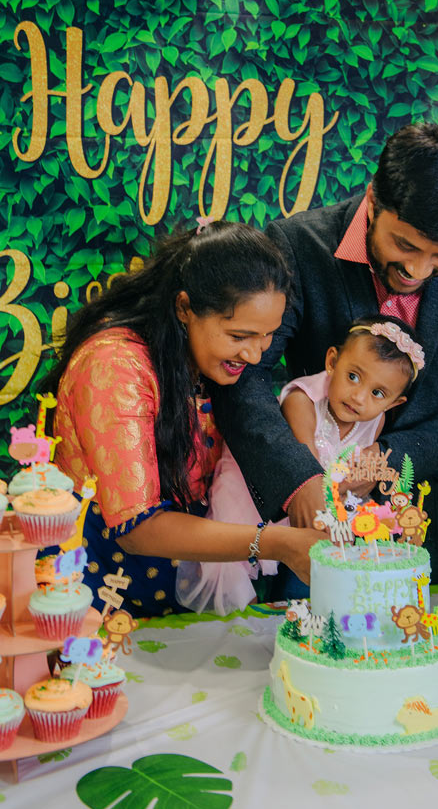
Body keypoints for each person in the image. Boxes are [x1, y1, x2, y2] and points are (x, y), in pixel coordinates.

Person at [212, 121, 438, 582]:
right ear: (374, 200)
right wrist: (300, 477)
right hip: (303, 529)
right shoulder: (299, 245)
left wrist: (387, 458)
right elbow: (245, 376)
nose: (418, 269)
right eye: (405, 245)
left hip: (425, 523)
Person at [41, 222, 322, 617]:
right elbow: (138, 529)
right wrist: (276, 543)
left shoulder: (207, 361)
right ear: (184, 308)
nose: (256, 355)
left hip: (179, 588)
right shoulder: (114, 367)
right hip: (96, 586)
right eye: (239, 336)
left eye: (267, 336)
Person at [178, 313, 425, 614]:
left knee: (315, 569)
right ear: (332, 361)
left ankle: (300, 618)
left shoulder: (375, 421)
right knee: (237, 574)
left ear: (393, 404)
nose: (359, 397)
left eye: (377, 393)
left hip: (316, 505)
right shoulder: (302, 400)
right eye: (353, 376)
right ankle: (241, 627)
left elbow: (354, 482)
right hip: (257, 491)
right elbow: (307, 467)